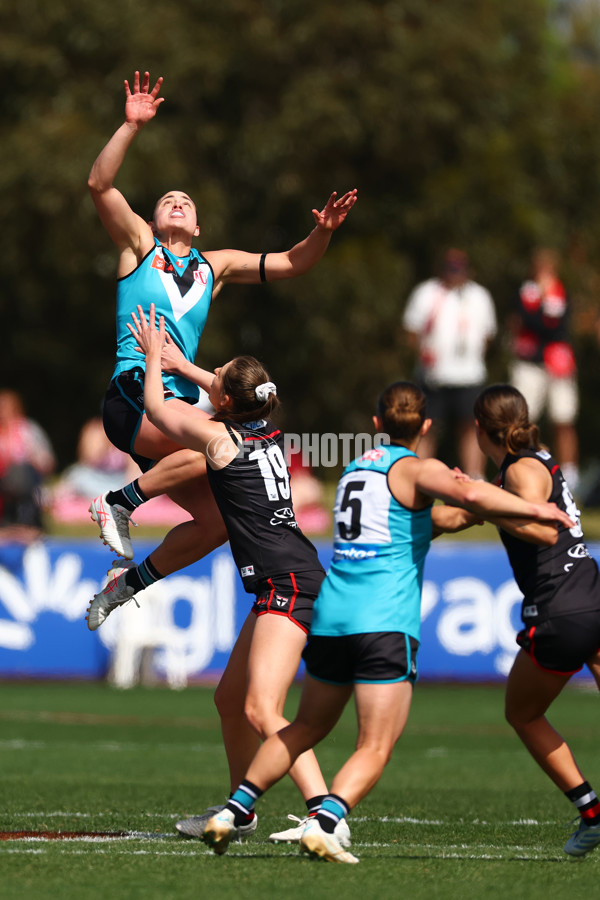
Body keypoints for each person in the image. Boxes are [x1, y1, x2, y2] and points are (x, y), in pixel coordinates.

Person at [198, 381, 574, 863]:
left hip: (332, 616)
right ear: (426, 427)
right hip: (383, 619)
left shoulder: (355, 469)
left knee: (303, 728)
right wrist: (531, 507)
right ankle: (326, 820)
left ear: (377, 425)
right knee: (375, 745)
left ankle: (232, 811)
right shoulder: (417, 469)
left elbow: (435, 518)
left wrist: (469, 512)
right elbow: (466, 494)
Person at [87, 303, 351, 848]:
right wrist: (188, 367)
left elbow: (157, 409)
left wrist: (156, 361)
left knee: (261, 707)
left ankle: (324, 814)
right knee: (230, 700)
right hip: (288, 578)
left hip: (288, 584)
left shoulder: (218, 441)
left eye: (217, 382)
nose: (212, 384)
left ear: (224, 402)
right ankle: (245, 811)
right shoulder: (264, 429)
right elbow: (231, 389)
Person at [87, 70, 357, 595]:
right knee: (220, 440)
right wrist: (130, 127)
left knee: (216, 525)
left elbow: (293, 264)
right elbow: (100, 184)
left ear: (200, 228)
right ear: (155, 217)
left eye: (186, 200)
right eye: (167, 198)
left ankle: (126, 587)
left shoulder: (217, 267)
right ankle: (116, 503)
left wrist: (320, 232)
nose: (176, 201)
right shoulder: (140, 247)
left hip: (179, 405)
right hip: (134, 395)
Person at [473, 384, 600, 858]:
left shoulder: (521, 470)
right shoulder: (539, 458)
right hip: (591, 591)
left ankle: (590, 812)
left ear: (479, 429)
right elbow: (478, 512)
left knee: (522, 712)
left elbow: (544, 529)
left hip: (559, 606)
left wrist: (485, 505)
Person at [402, 248, 497, 479]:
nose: (455, 274)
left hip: (469, 374)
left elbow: (488, 334)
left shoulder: (479, 295)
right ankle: (419, 475)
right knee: (426, 427)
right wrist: (422, 353)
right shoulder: (426, 292)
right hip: (433, 375)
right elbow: (411, 330)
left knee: (471, 427)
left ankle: (474, 476)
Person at [509, 248, 579, 491]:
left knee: (563, 417)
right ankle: (521, 463)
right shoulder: (525, 292)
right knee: (524, 417)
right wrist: (541, 310)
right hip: (530, 361)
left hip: (557, 362)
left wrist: (542, 312)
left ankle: (570, 473)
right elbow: (528, 321)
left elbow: (559, 327)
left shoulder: (561, 293)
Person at [0, 389, 56, 540]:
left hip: (26, 477)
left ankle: (26, 523)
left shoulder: (29, 430)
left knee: (21, 473)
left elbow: (47, 462)